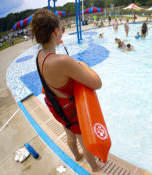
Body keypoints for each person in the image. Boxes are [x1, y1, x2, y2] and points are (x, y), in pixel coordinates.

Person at [31, 9, 104, 171]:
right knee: (83, 138)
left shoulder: (40, 56)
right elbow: (97, 83)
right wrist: (83, 65)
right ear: (55, 31)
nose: (62, 32)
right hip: (70, 110)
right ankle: (94, 166)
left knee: (69, 134)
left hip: (56, 106)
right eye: (62, 29)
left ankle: (77, 156)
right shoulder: (62, 61)